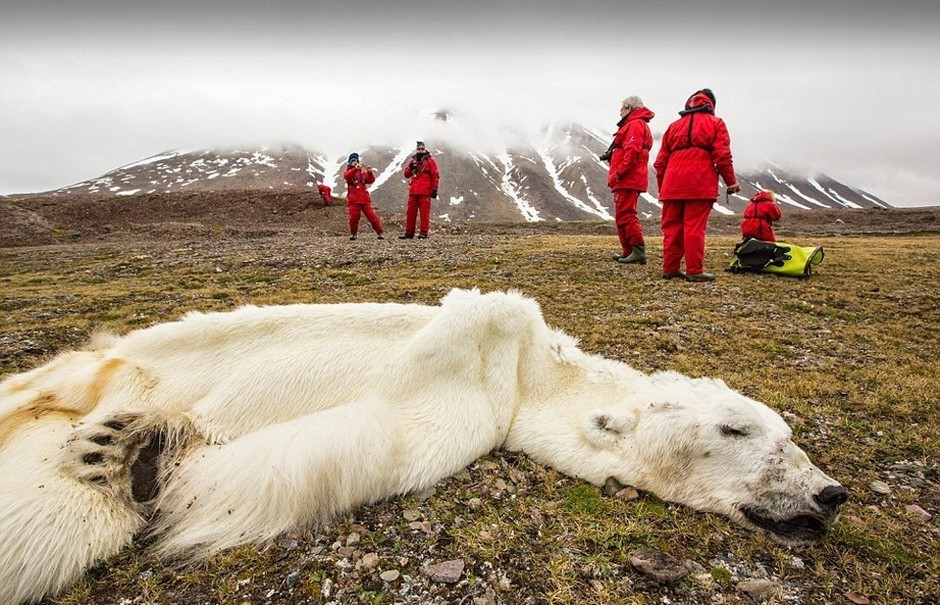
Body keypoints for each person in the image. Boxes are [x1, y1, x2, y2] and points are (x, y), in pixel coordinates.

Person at [654, 88, 740, 282]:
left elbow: (660, 163)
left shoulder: (673, 126)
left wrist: (663, 188)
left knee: (671, 228)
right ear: (711, 104)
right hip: (700, 183)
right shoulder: (716, 123)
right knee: (694, 227)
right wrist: (731, 182)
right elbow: (722, 156)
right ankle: (694, 270)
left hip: (672, 185)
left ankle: (670, 268)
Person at [604, 96, 654, 265]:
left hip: (627, 178)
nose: (620, 112)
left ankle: (638, 251)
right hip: (626, 178)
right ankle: (629, 251)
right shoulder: (634, 125)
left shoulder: (635, 124)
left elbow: (632, 150)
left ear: (630, 109)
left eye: (623, 108)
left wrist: (619, 172)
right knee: (621, 215)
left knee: (627, 214)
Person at [400, 141, 440, 239]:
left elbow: (435, 176)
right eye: (419, 149)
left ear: (425, 149)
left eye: (422, 149)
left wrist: (434, 189)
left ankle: (423, 233)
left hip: (425, 192)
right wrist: (410, 168)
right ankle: (409, 233)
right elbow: (406, 174)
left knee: (424, 213)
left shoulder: (430, 161)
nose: (420, 151)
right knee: (410, 213)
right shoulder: (413, 161)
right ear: (416, 149)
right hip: (413, 191)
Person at [342, 153, 384, 241]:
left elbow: (370, 180)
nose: (354, 162)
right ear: (349, 163)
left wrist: (369, 172)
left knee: (372, 216)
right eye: (352, 161)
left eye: (356, 161)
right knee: (354, 218)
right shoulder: (348, 172)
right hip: (353, 200)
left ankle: (380, 232)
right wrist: (355, 169)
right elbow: (347, 176)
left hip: (364, 199)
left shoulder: (362, 173)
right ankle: (353, 234)